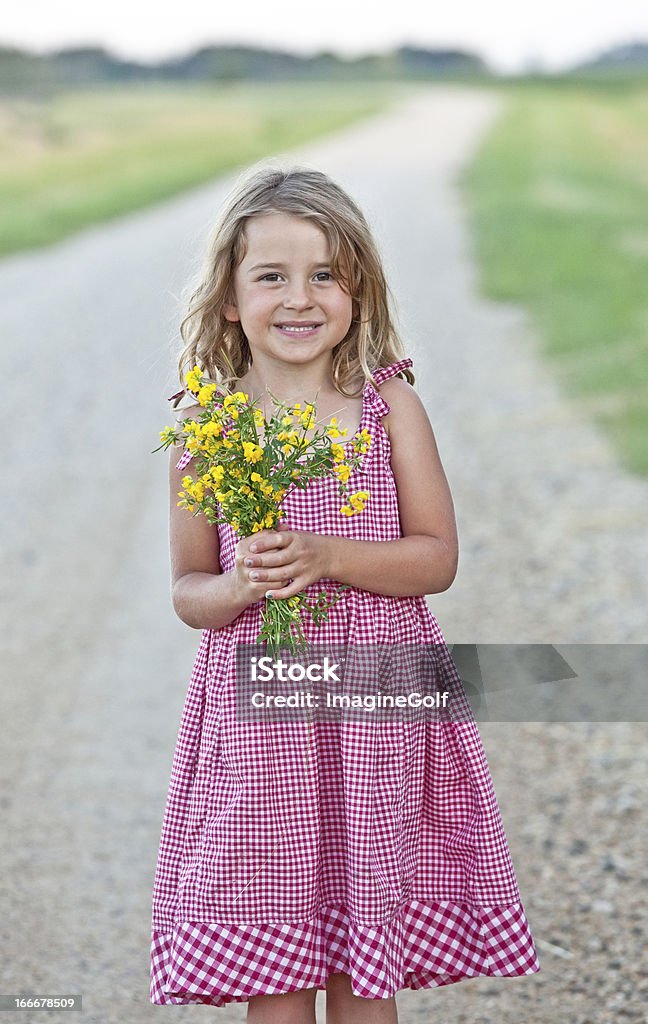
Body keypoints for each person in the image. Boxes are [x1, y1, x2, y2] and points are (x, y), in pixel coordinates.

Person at [149, 164, 540, 1022]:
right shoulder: (208, 426)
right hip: (262, 731)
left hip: (377, 712)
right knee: (278, 971)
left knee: (366, 972)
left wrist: (327, 555)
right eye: (272, 276)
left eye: (325, 273)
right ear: (227, 299)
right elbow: (188, 590)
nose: (301, 297)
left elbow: (435, 559)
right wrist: (239, 583)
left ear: (357, 291)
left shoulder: (387, 407)